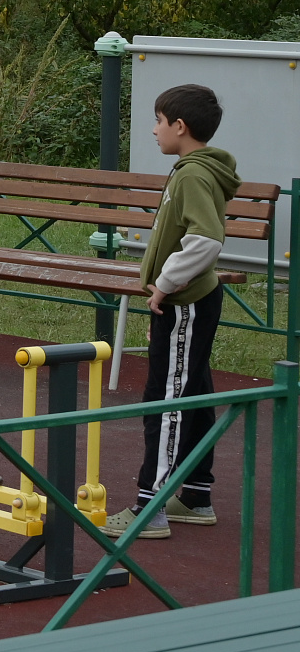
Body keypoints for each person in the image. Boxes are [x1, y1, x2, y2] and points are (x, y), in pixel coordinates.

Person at [104, 84, 237, 540]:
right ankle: (196, 496)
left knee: (167, 401)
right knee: (192, 391)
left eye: (158, 122)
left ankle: (150, 505)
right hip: (188, 301)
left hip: (185, 302)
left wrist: (164, 285)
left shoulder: (194, 175)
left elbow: (205, 240)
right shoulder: (193, 170)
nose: (154, 130)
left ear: (180, 126)